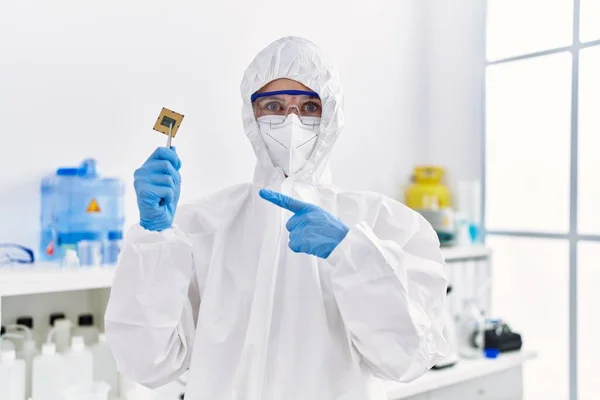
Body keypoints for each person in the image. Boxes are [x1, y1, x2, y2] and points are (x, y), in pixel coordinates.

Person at [105, 36, 448, 400]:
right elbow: (149, 363)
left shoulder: (384, 223)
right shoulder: (205, 225)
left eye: (310, 107)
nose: (291, 121)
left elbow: (407, 359)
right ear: (251, 117)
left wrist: (353, 253)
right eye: (273, 105)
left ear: (331, 115)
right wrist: (155, 238)